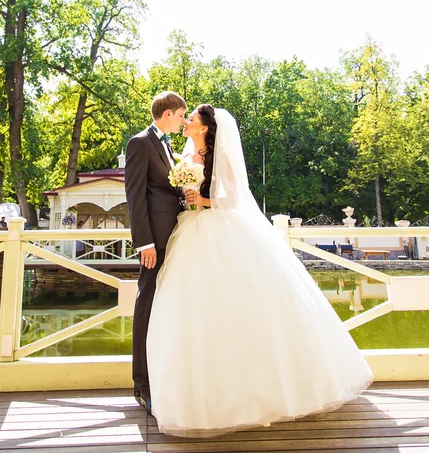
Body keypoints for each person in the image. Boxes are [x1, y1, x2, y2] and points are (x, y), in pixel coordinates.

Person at [146, 105, 373, 437]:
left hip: (219, 230)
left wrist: (203, 201)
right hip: (191, 232)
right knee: (195, 309)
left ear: (205, 128)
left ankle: (266, 392)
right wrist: (189, 197)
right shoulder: (185, 155)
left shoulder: (219, 156)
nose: (186, 122)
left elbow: (234, 197)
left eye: (191, 118)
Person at [125, 91, 187, 414]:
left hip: (174, 236)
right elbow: (135, 196)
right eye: (180, 115)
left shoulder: (168, 145)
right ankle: (142, 385)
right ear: (167, 114)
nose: (183, 121)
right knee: (145, 306)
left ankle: (164, 375)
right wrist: (144, 242)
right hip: (154, 243)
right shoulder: (139, 143)